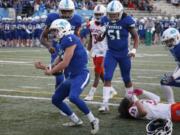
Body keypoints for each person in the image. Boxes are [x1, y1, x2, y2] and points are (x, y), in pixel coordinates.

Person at [35, 19, 99, 135]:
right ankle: (76, 120)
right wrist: (43, 67)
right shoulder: (62, 42)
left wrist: (51, 71)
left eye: (55, 31)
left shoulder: (70, 39)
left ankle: (93, 120)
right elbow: (56, 62)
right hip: (71, 77)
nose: (53, 34)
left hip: (81, 74)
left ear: (62, 29)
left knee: (73, 97)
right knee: (56, 99)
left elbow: (65, 63)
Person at [97, 0, 139, 112]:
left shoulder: (127, 20)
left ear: (120, 12)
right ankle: (105, 104)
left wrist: (134, 50)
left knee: (126, 78)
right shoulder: (105, 20)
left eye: (114, 14)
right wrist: (98, 35)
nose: (112, 16)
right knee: (107, 77)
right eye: (110, 14)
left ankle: (130, 99)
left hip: (124, 53)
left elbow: (135, 37)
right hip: (111, 53)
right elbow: (100, 38)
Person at [40, 0, 82, 88]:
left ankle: (65, 94)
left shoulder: (77, 19)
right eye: (64, 11)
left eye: (69, 11)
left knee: (70, 76)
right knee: (58, 75)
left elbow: (77, 37)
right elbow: (42, 37)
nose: (66, 14)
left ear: (73, 11)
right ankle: (58, 97)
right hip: (57, 49)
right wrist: (49, 46)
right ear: (59, 10)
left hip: (70, 50)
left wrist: (80, 49)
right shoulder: (52, 18)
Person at [84, 4, 117, 101]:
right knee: (101, 73)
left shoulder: (108, 24)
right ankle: (111, 90)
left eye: (100, 14)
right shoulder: (90, 24)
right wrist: (87, 50)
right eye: (97, 14)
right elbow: (91, 38)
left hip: (104, 51)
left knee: (97, 73)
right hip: (95, 51)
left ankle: (91, 94)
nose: (98, 16)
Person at [160, 27, 180, 104]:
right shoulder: (175, 47)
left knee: (166, 81)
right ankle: (171, 104)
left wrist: (173, 77)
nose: (168, 43)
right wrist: (173, 75)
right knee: (164, 81)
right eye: (166, 42)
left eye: (170, 40)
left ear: (177, 37)